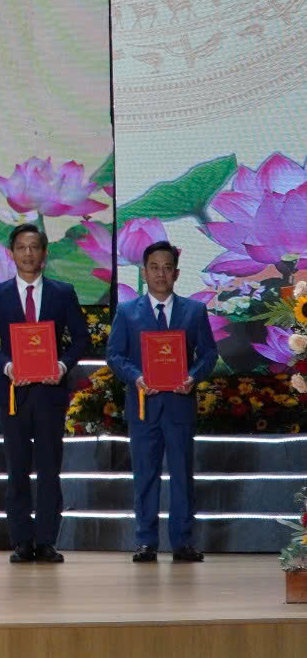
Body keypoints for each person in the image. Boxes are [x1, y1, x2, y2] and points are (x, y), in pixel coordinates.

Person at [0, 222, 92, 564]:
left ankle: (46, 541)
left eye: (34, 247)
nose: (28, 254)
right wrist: (7, 366)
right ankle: (21, 541)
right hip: (14, 393)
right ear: (11, 253)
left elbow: (82, 339)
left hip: (49, 393)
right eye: (21, 248)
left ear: (44, 253)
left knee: (48, 470)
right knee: (16, 470)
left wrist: (62, 365)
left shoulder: (62, 292)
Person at [106, 240, 218, 563]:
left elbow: (209, 354)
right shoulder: (127, 312)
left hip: (180, 406)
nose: (160, 274)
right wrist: (136, 376)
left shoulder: (194, 311)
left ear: (177, 274)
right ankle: (146, 541)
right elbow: (114, 355)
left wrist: (193, 376)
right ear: (144, 272)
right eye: (154, 268)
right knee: (145, 476)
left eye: (167, 268)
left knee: (182, 476)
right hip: (144, 407)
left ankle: (182, 542)